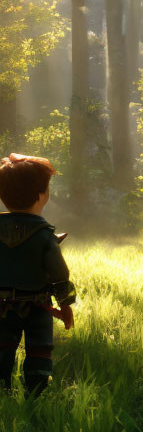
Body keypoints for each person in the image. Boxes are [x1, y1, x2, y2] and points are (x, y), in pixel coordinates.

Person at [0, 154, 75, 396]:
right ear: (42, 195)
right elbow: (59, 275)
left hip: (1, 306)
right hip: (38, 306)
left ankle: (3, 390)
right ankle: (37, 393)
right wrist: (66, 305)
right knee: (40, 348)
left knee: (1, 348)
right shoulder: (44, 236)